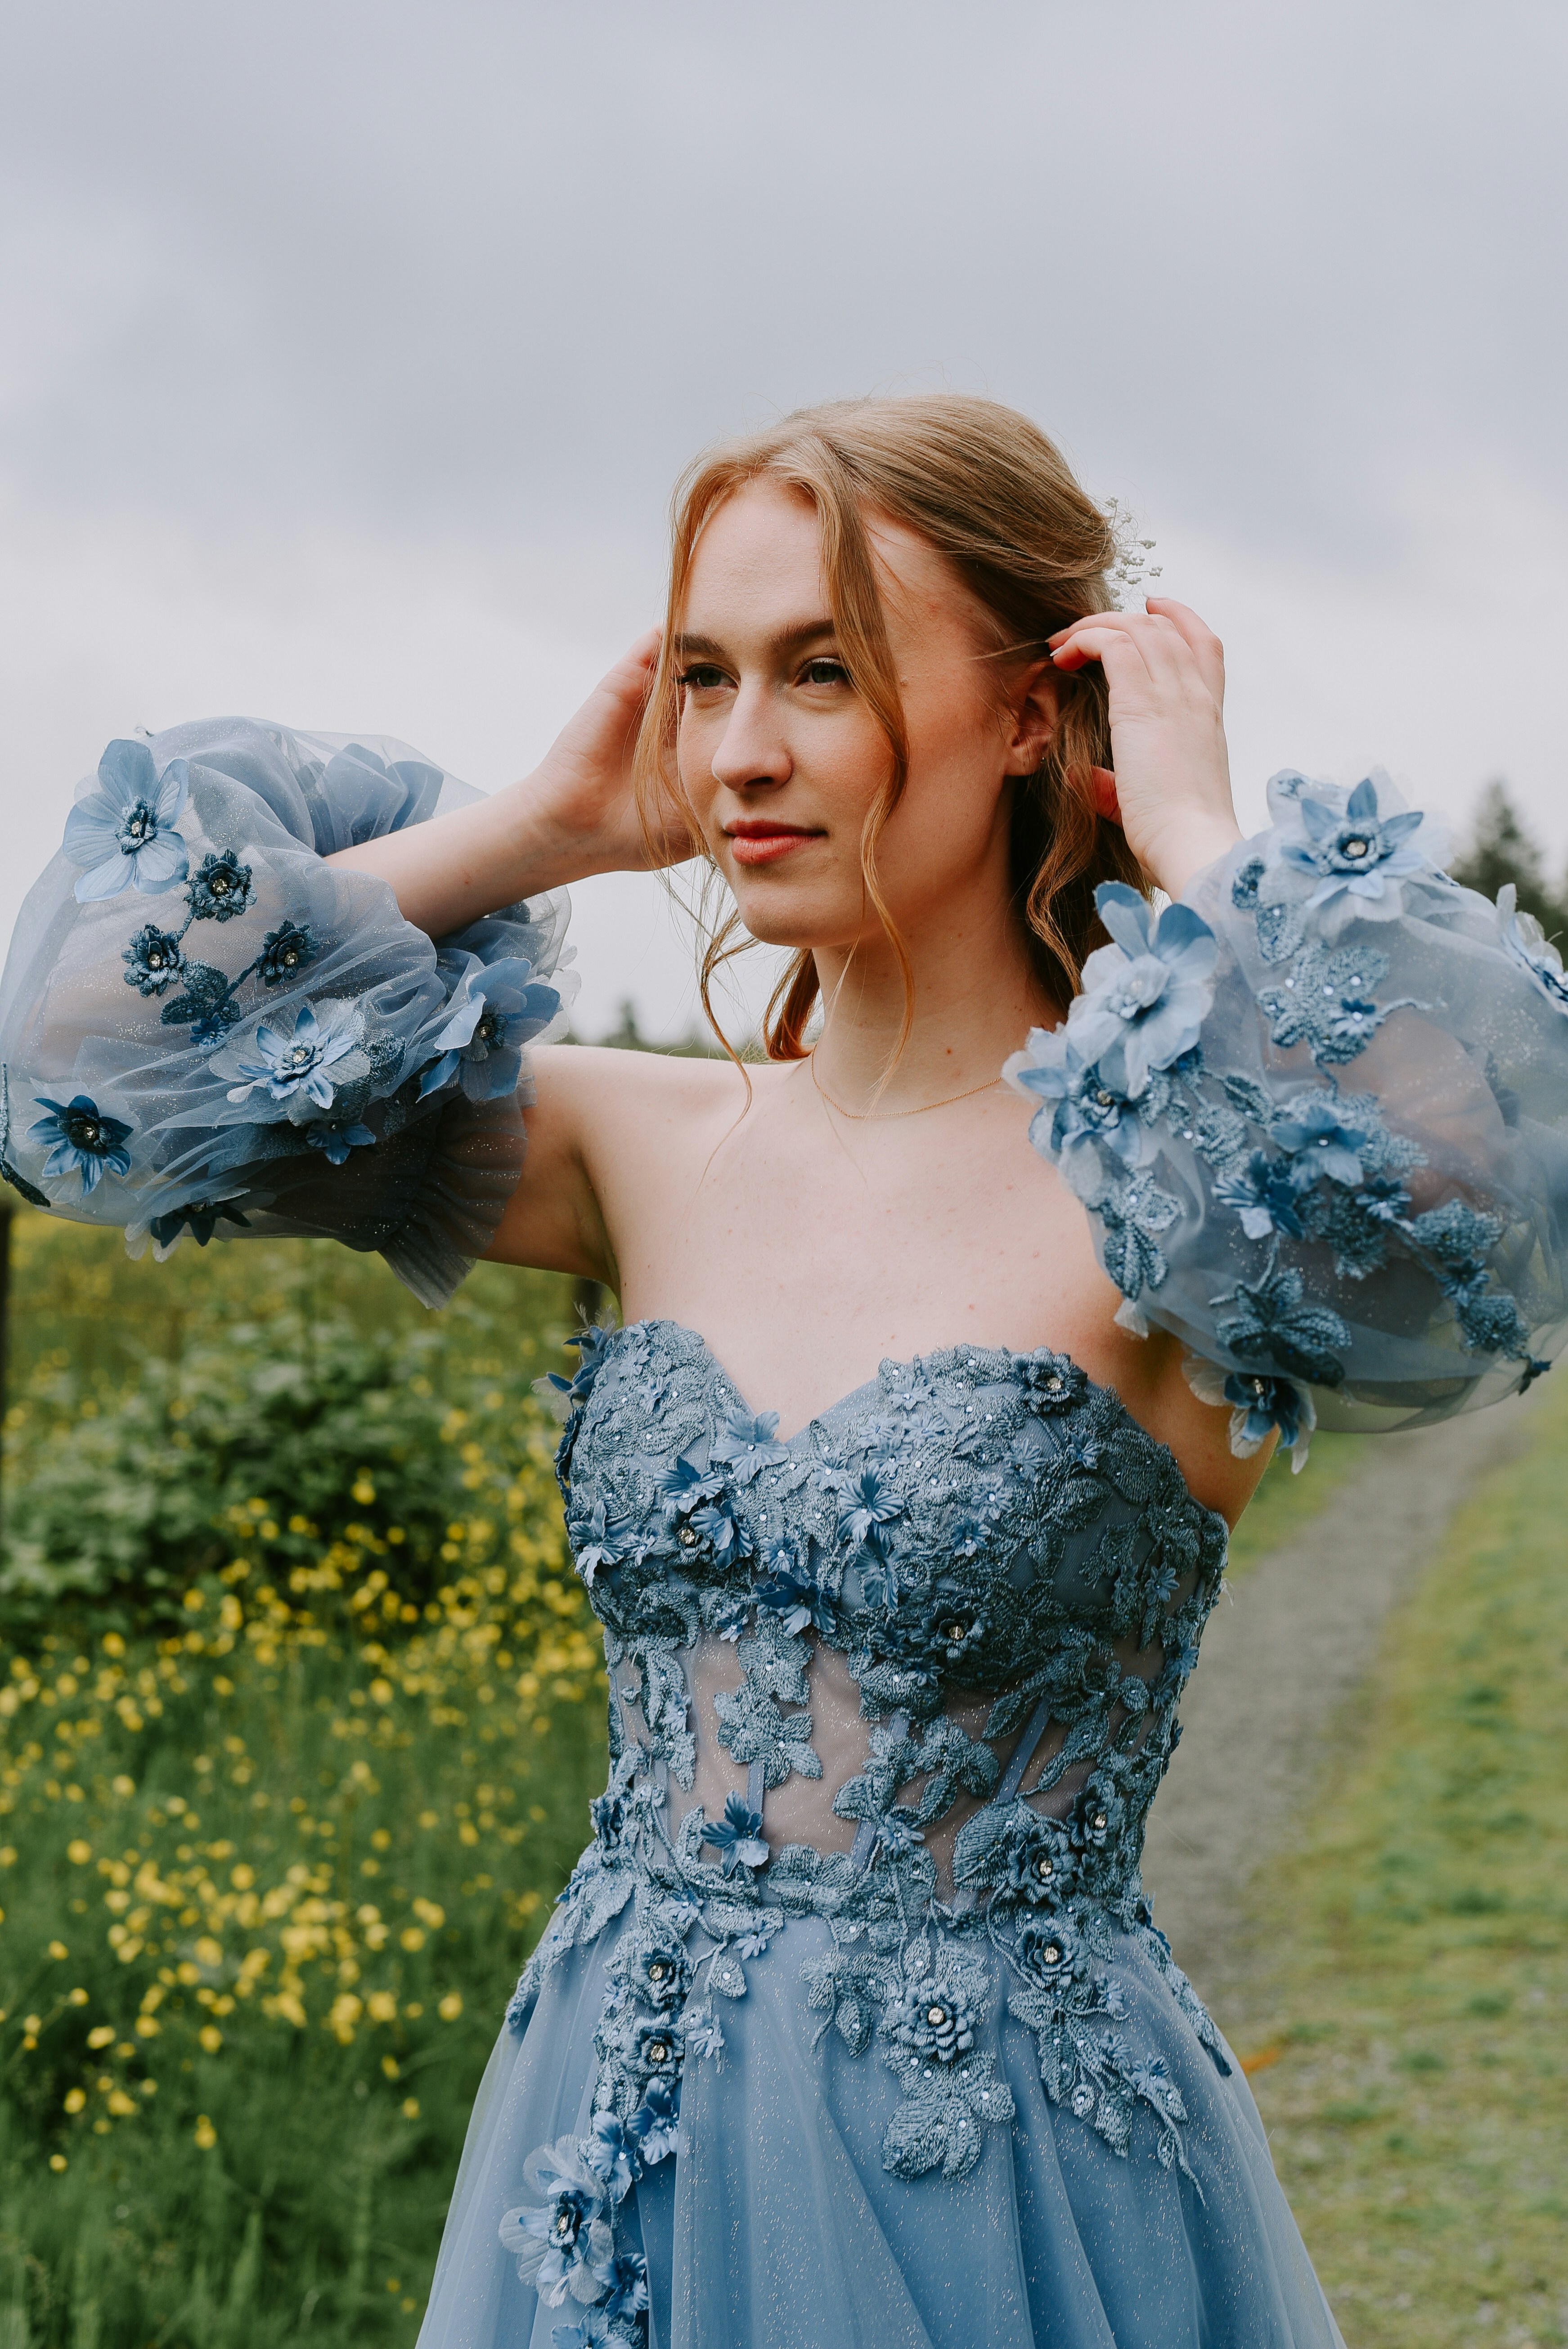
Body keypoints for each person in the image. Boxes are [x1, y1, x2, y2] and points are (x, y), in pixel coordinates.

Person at [4, 395, 1567, 2349]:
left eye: (822, 672)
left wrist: (1193, 832)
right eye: (705, 675)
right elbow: (78, 1074)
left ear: (1024, 715)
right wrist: (546, 827)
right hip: (608, 2132)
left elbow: (1488, 1210)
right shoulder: (626, 1147)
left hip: (991, 2179)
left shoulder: (1175, 1189)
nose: (741, 748)